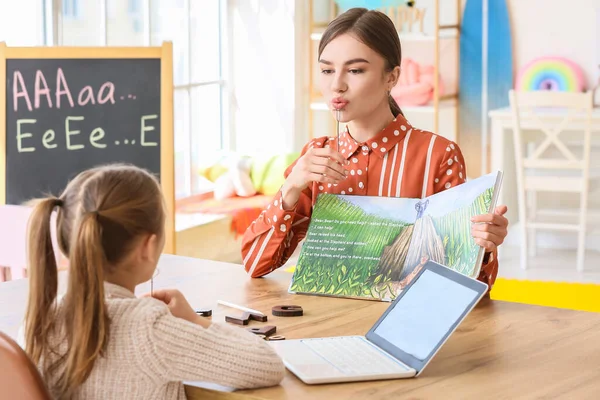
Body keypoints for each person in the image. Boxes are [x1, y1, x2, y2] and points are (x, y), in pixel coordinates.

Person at [241, 8, 508, 292]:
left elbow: (468, 285)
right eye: (327, 70)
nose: (336, 85)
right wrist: (291, 187)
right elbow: (255, 264)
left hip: (402, 327)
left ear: (391, 78)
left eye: (355, 70)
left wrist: (484, 245)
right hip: (322, 321)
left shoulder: (437, 155)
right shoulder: (316, 155)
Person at [23, 164, 284, 400]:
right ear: (147, 247)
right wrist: (196, 321)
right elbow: (266, 365)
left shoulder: (43, 319)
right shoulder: (149, 329)